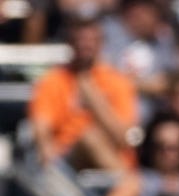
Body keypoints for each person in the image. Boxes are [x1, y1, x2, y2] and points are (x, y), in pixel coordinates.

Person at [27, 12, 140, 172]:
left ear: (100, 43)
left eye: (90, 40)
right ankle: (127, 183)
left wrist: (93, 97)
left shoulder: (117, 81)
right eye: (79, 40)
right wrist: (46, 150)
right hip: (67, 158)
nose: (84, 45)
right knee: (88, 138)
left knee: (92, 138)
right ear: (70, 43)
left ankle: (125, 182)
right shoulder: (53, 80)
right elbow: (41, 126)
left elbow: (125, 137)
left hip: (112, 155)